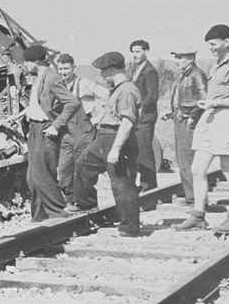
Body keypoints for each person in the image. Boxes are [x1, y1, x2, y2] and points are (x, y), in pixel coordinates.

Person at [173, 24, 229, 233]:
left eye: (213, 44)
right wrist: (208, 104)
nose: (211, 49)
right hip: (210, 117)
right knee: (197, 168)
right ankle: (198, 216)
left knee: (228, 168)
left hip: (226, 118)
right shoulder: (215, 65)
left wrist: (217, 103)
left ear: (227, 41)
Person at [73, 51, 142, 236]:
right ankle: (86, 204)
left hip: (118, 138)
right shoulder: (117, 89)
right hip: (104, 137)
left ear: (112, 70)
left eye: (104, 72)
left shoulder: (127, 90)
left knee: (122, 183)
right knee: (82, 165)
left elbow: (127, 122)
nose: (102, 76)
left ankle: (130, 227)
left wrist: (116, 149)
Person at [22, 46, 81, 221]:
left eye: (27, 61)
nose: (25, 65)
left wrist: (56, 125)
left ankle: (58, 213)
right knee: (32, 178)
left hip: (45, 128)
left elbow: (72, 102)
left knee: (41, 175)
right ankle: (39, 216)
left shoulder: (52, 78)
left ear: (37, 61)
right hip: (34, 129)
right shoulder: (39, 78)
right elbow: (37, 105)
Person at [55, 53, 108, 212]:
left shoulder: (83, 83)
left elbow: (107, 95)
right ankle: (69, 201)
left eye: (66, 68)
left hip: (84, 130)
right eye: (61, 69)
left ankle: (88, 203)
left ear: (73, 67)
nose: (64, 72)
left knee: (82, 168)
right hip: (67, 133)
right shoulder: (60, 85)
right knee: (64, 168)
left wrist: (99, 117)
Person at [160, 48, 206, 206]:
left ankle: (195, 199)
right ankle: (191, 197)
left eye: (180, 57)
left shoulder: (196, 74)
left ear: (191, 58)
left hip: (188, 122)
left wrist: (192, 118)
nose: (177, 60)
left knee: (188, 160)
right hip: (181, 120)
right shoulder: (184, 76)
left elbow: (203, 99)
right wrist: (172, 112)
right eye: (176, 57)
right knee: (183, 160)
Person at [129, 39, 159, 191]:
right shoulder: (135, 69)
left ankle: (149, 184)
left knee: (144, 150)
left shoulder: (149, 71)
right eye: (133, 52)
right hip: (137, 117)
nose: (135, 55)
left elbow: (152, 96)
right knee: (138, 150)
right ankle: (144, 183)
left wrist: (138, 106)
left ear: (146, 52)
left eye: (138, 51)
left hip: (145, 117)